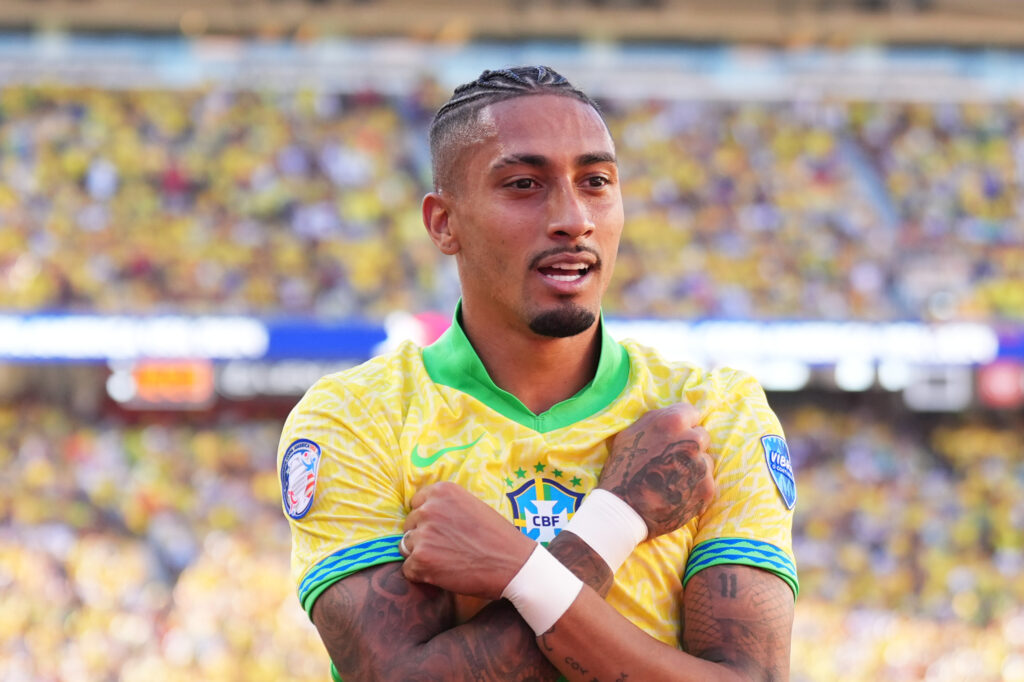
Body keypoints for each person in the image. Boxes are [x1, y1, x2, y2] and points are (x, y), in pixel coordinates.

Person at [277, 65, 798, 681]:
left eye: (597, 181)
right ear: (444, 223)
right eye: (524, 184)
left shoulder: (715, 411)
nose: (574, 218)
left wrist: (516, 569)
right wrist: (616, 519)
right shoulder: (356, 417)